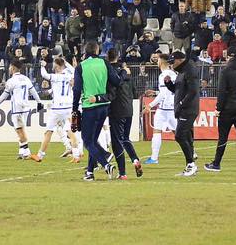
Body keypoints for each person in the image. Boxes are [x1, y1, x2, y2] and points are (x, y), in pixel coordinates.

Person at [204, 47, 236, 172]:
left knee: (223, 137)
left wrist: (218, 108)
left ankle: (216, 164)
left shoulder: (225, 71)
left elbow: (221, 92)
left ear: (229, 57)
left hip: (227, 108)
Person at [72, 41, 116, 181]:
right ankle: (90, 173)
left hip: (89, 107)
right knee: (92, 140)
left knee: (87, 141)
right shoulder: (104, 63)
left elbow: (77, 89)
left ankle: (105, 162)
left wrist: (74, 108)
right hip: (104, 106)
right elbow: (116, 81)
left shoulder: (81, 66)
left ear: (86, 51)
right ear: (97, 51)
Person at [31, 56, 81, 163]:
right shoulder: (70, 75)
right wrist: (66, 62)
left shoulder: (55, 77)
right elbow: (74, 71)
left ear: (58, 67)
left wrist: (42, 66)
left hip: (57, 109)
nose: (53, 68)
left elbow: (44, 75)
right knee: (70, 132)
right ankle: (76, 155)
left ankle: (40, 155)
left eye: (54, 66)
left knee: (48, 132)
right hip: (68, 107)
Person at [0, 59, 43, 160]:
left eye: (10, 67)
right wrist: (39, 102)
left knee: (19, 130)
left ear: (13, 68)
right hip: (26, 107)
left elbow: (5, 95)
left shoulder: (11, 81)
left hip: (17, 108)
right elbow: (33, 91)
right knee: (21, 128)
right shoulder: (26, 78)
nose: (9, 68)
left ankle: (27, 152)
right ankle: (21, 152)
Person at [103, 49, 142, 179]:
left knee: (117, 142)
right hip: (129, 109)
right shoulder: (126, 72)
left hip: (116, 110)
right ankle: (135, 160)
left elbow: (108, 91)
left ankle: (122, 173)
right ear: (118, 57)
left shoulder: (108, 72)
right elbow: (134, 91)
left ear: (107, 57)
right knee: (125, 138)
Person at [164, 51, 199, 177]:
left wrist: (181, 103)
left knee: (179, 136)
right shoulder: (183, 71)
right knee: (187, 137)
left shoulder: (189, 70)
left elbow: (193, 91)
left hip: (188, 109)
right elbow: (179, 90)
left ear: (179, 60)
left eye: (172, 62)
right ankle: (191, 165)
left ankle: (191, 164)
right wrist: (169, 85)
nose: (171, 65)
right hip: (184, 108)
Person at [143, 53, 176, 165]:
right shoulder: (173, 74)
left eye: (158, 60)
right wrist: (155, 92)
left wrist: (150, 105)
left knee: (158, 132)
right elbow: (168, 91)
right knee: (178, 133)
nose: (157, 62)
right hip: (171, 107)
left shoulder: (163, 76)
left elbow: (163, 95)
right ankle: (192, 152)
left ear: (161, 62)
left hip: (164, 109)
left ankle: (154, 158)